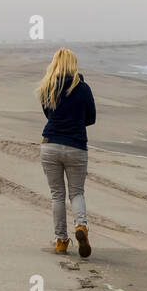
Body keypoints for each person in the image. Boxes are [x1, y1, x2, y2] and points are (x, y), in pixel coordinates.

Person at [37, 48, 96, 257]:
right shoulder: (83, 88)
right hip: (76, 146)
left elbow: (48, 114)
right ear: (74, 64)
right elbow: (91, 118)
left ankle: (61, 240)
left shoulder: (48, 86)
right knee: (77, 193)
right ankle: (81, 226)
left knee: (57, 196)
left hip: (50, 144)